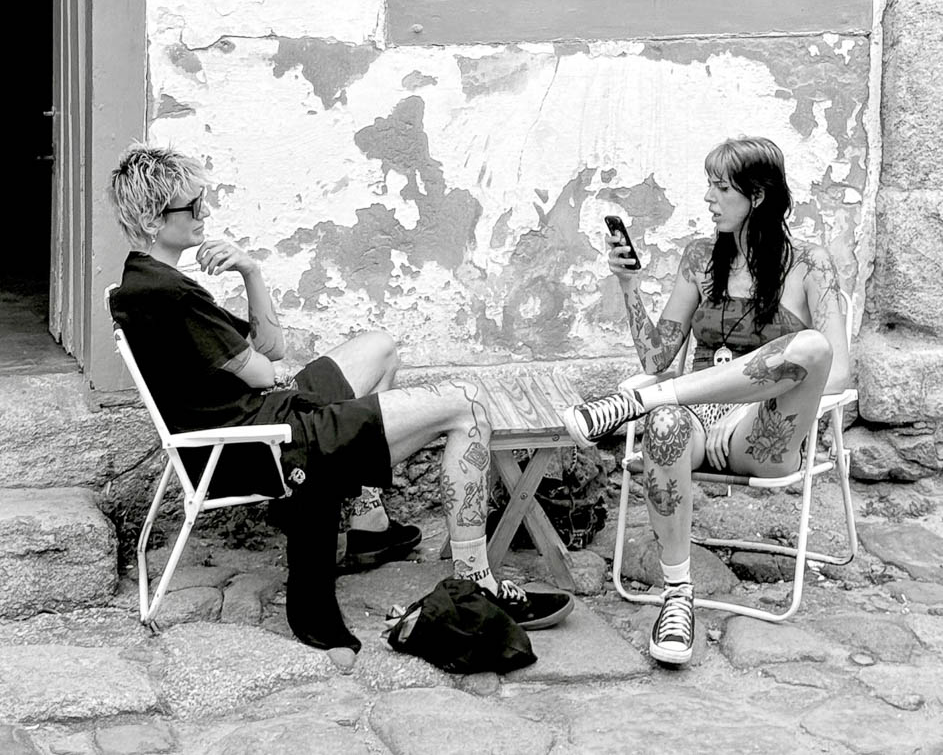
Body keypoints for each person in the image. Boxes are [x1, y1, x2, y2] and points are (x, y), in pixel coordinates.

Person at [108, 145, 573, 666]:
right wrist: (272, 374)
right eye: (194, 207)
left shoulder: (149, 282)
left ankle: (367, 522)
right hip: (268, 443)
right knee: (465, 407)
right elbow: (266, 369)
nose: (206, 213)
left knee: (379, 346)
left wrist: (251, 272)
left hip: (267, 416)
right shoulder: (171, 296)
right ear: (153, 219)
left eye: (204, 201)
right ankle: (476, 579)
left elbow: (275, 351)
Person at [563, 136, 850, 668]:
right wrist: (628, 285)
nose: (709, 199)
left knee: (812, 347)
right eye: (710, 187)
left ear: (758, 196)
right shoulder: (699, 258)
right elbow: (656, 357)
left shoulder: (812, 265)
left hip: (762, 431)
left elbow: (840, 372)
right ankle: (677, 597)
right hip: (694, 420)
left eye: (721, 188)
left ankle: (641, 405)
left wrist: (752, 394)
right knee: (666, 422)